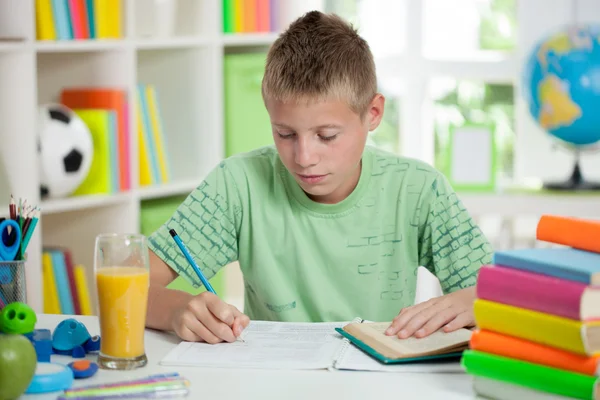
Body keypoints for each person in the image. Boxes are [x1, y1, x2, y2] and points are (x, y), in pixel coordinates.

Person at [145, 11, 493, 344]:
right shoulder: (238, 184)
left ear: (372, 114)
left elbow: (505, 297)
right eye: (285, 133)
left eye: (326, 136)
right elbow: (126, 285)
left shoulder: (418, 189)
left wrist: (474, 301)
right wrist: (176, 309)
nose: (304, 158)